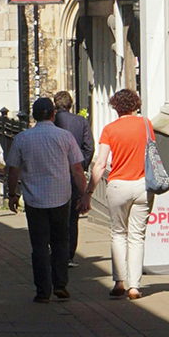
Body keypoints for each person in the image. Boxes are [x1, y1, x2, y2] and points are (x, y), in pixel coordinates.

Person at [5, 97, 86, 303]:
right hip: (61, 197)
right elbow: (77, 168)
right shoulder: (65, 137)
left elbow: (13, 169)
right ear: (52, 114)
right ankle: (60, 284)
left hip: (34, 199)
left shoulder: (22, 139)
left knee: (39, 246)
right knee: (60, 241)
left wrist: (12, 194)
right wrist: (84, 194)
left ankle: (43, 291)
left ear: (33, 116)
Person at [84, 88, 152, 300]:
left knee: (118, 233)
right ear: (135, 104)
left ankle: (119, 282)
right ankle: (135, 286)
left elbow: (101, 163)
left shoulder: (109, 130)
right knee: (137, 236)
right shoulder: (146, 124)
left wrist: (89, 192)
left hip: (118, 186)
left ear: (115, 107)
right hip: (142, 185)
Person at [53, 90, 94, 265]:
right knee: (72, 217)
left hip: (54, 174)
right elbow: (89, 147)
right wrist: (82, 164)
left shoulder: (51, 122)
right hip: (74, 173)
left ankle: (55, 251)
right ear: (71, 105)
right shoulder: (81, 121)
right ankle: (69, 254)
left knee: (55, 214)